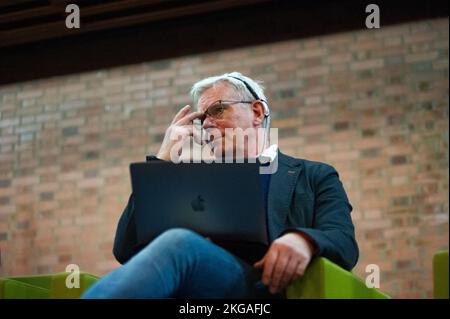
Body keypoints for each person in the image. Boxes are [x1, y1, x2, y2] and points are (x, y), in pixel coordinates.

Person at [82, 72, 358, 298]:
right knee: (176, 246)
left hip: (268, 290)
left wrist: (304, 239)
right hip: (194, 292)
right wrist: (163, 159)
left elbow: (343, 242)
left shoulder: (313, 175)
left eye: (217, 110)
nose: (207, 125)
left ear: (257, 112)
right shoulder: (190, 179)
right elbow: (126, 250)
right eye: (201, 120)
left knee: (179, 243)